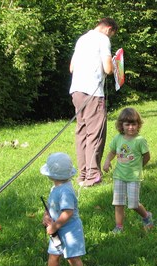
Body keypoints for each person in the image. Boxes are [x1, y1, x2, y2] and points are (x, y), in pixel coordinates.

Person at [69, 17, 119, 187]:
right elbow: (108, 69)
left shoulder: (82, 39)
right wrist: (113, 64)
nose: (110, 37)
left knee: (81, 133)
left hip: (76, 91)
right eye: (112, 34)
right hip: (93, 93)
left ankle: (82, 175)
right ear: (109, 29)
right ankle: (93, 176)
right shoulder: (103, 39)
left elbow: (71, 68)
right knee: (95, 134)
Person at [103, 108, 154, 233]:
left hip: (133, 178)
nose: (131, 127)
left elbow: (147, 156)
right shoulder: (118, 138)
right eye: (127, 124)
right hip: (119, 176)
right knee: (118, 203)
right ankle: (119, 227)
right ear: (121, 125)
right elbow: (112, 152)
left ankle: (146, 216)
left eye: (134, 124)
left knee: (133, 204)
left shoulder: (140, 140)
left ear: (138, 125)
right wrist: (107, 161)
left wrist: (139, 166)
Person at [40, 152, 86, 266]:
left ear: (52, 175)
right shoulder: (56, 187)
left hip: (70, 229)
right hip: (57, 228)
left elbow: (68, 212)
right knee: (54, 253)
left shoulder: (65, 191)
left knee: (73, 256)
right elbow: (51, 206)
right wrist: (46, 216)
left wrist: (54, 226)